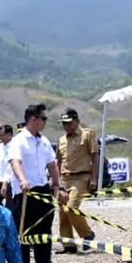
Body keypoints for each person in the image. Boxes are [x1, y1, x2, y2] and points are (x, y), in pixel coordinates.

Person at [7, 104, 62, 263]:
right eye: (43, 118)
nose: (45, 122)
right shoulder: (19, 140)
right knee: (24, 234)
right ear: (33, 119)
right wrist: (23, 179)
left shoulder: (44, 141)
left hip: (42, 190)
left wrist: (58, 185)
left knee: (44, 232)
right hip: (25, 193)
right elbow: (15, 161)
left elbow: (52, 164)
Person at [56, 108, 99, 252]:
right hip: (64, 178)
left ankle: (87, 234)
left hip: (81, 177)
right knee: (63, 212)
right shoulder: (61, 140)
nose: (66, 126)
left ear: (77, 121)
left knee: (72, 207)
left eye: (69, 123)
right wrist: (56, 181)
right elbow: (58, 161)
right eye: (64, 123)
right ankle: (68, 244)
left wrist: (94, 178)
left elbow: (95, 156)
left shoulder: (87, 135)